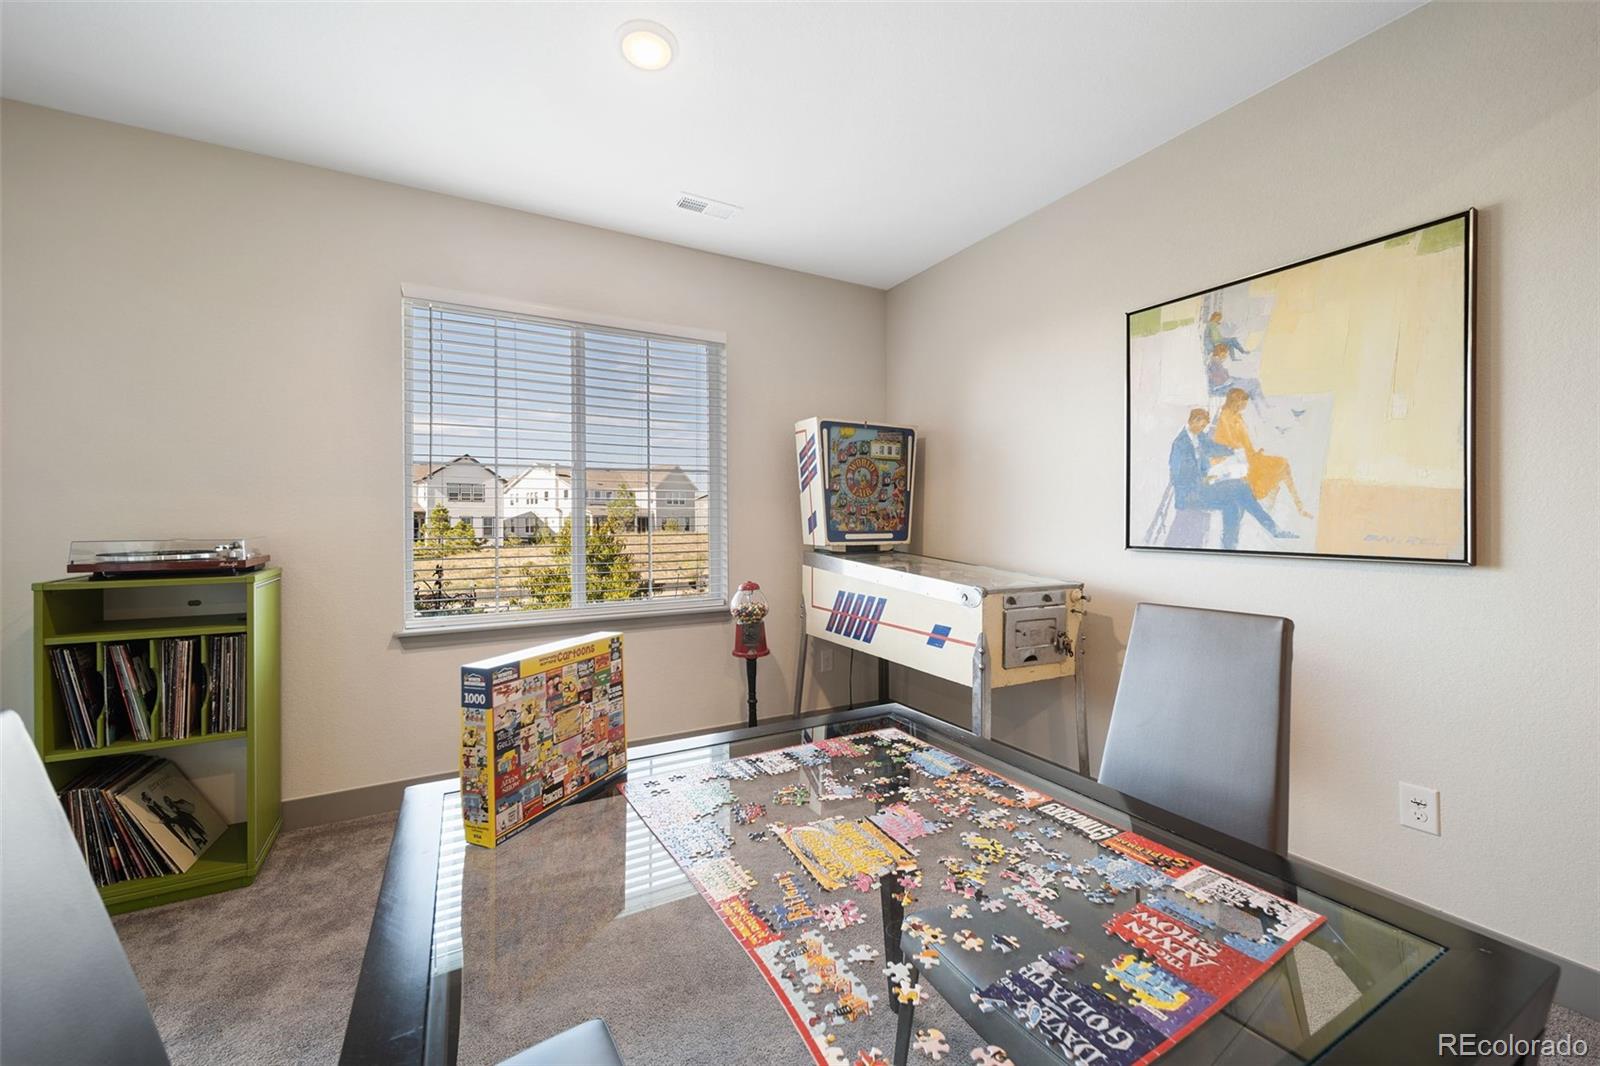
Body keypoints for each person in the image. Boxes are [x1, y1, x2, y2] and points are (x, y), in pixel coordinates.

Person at [1168, 408, 1298, 550]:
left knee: (1237, 492)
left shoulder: (1198, 436)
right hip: (1190, 494)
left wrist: (1232, 451)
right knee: (1236, 495)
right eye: (1202, 425)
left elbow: (1211, 447)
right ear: (1193, 421)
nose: (1204, 429)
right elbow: (1177, 476)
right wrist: (1205, 479)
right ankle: (1242, 540)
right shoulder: (1180, 444)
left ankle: (1233, 544)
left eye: (1205, 426)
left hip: (1203, 485)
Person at [1211, 389, 1313, 519]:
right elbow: (1231, 443)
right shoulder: (1225, 416)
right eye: (1243, 402)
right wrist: (1249, 455)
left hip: (1248, 457)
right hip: (1235, 461)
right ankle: (1271, 507)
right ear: (1236, 401)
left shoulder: (1238, 416)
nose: (1245, 405)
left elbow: (1244, 441)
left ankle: (1299, 507)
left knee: (1284, 465)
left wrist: (1254, 452)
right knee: (1276, 472)